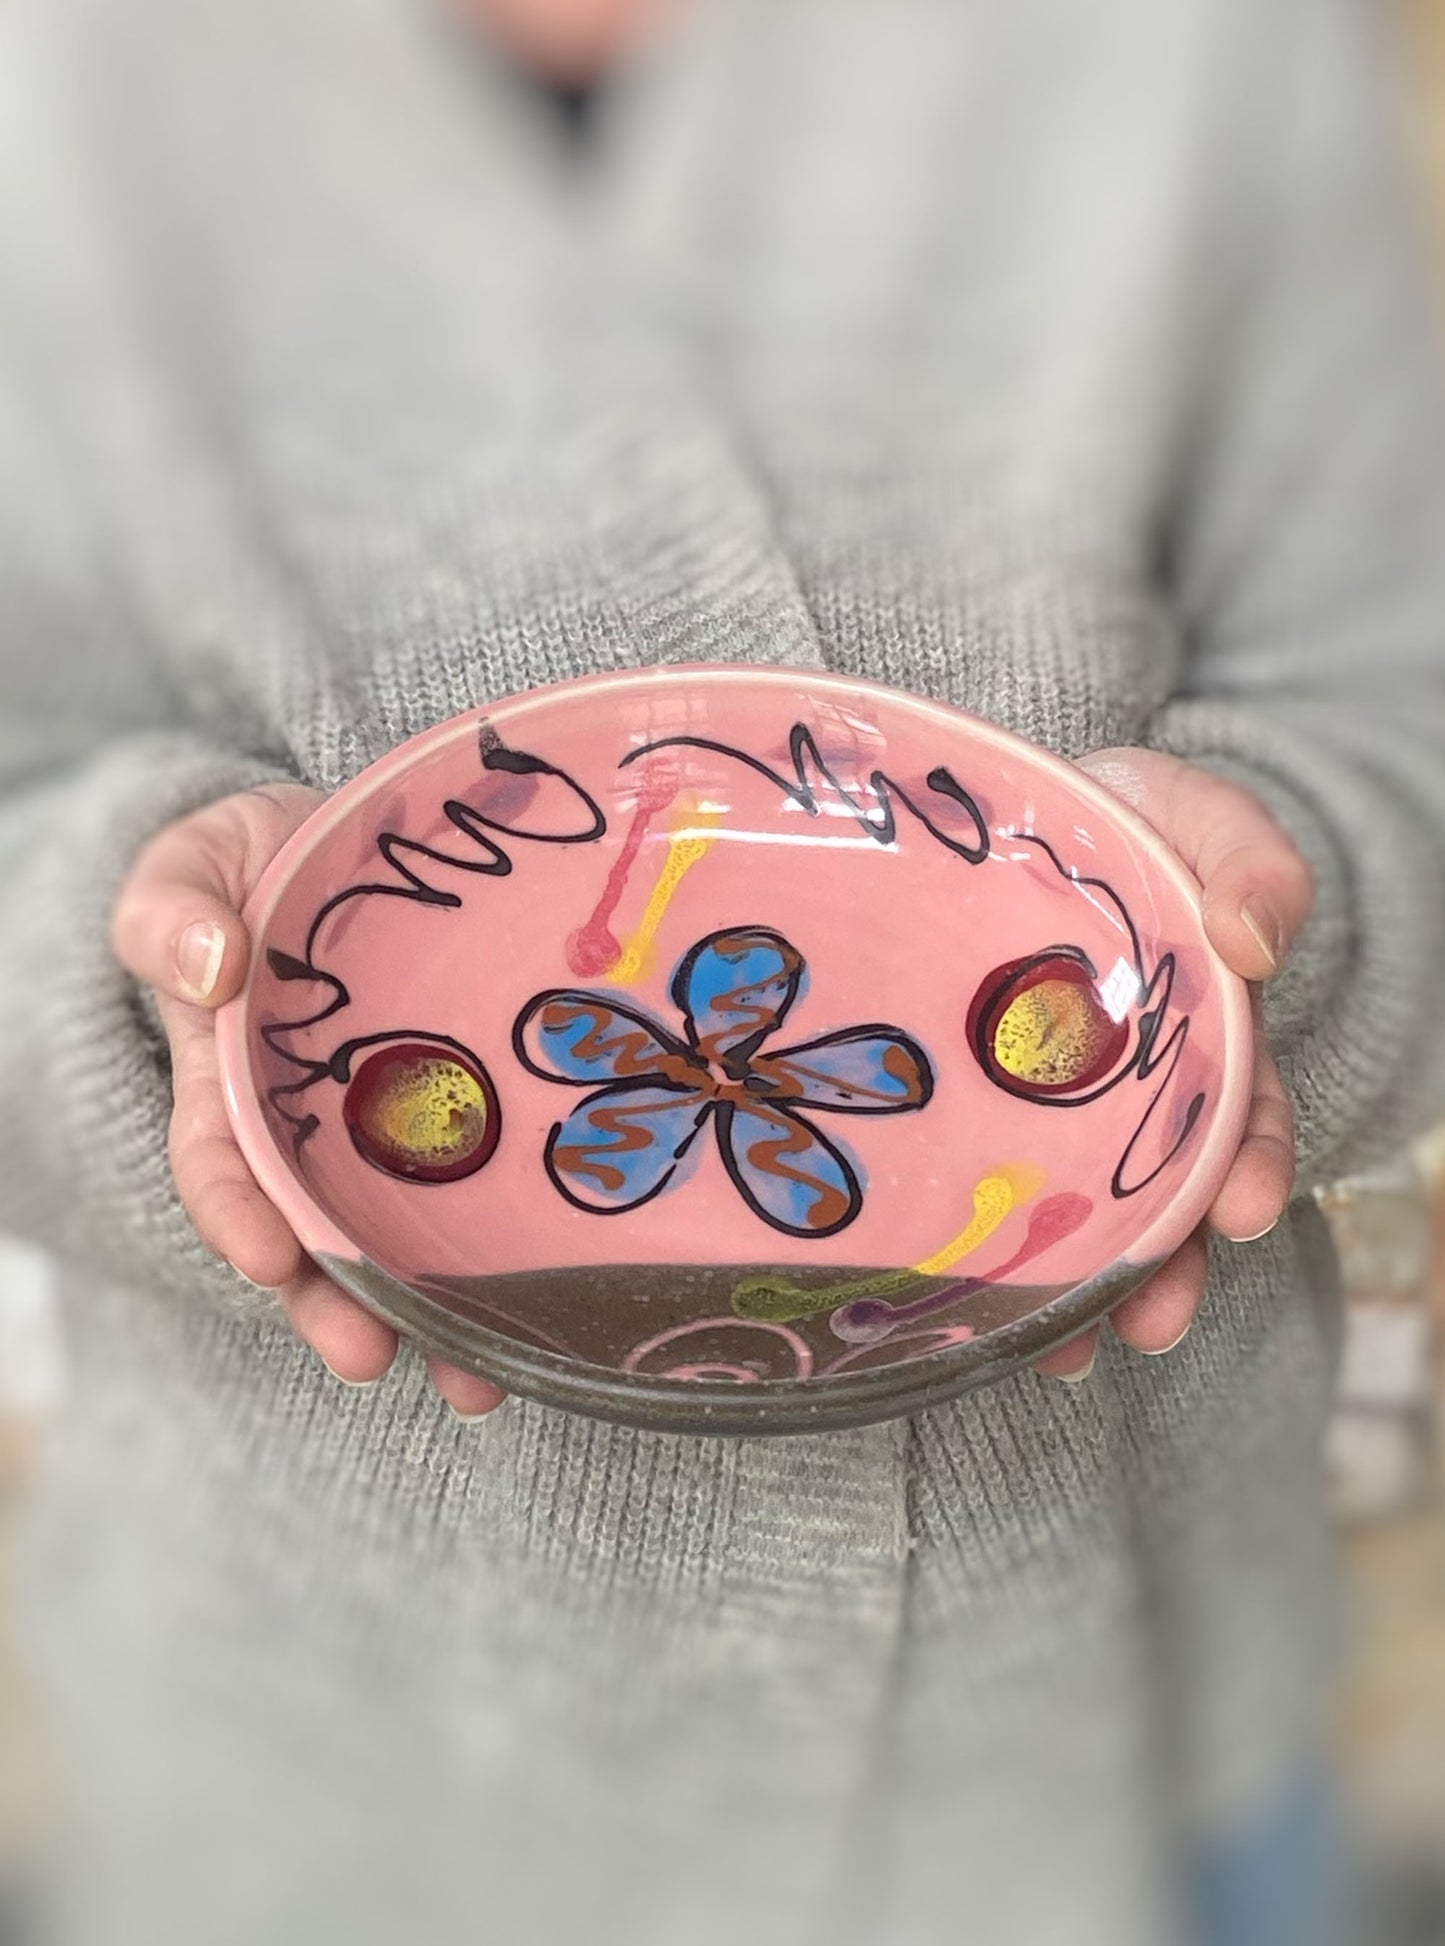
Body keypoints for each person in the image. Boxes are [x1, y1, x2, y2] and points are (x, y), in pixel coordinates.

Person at [1, 0, 1442, 1940]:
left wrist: (1278, 903)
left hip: (1100, 1713)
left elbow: (1403, 699)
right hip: (340, 1754)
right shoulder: (73, 90)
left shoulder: (1177, 51)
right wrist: (146, 987)